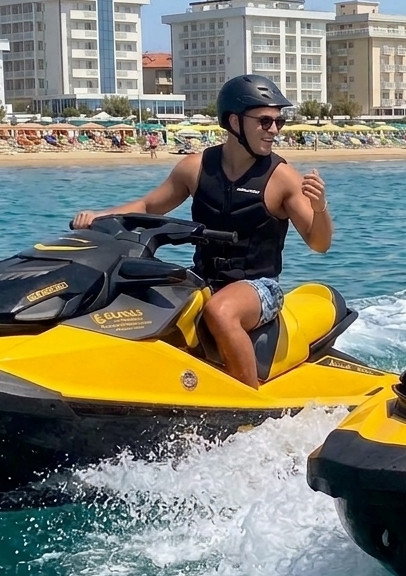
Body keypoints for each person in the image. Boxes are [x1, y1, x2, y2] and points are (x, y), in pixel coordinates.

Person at [71, 74, 334, 389]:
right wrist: (99, 217)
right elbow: (148, 206)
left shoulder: (283, 178)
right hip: (202, 280)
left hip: (259, 287)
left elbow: (319, 243)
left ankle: (248, 404)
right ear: (234, 121)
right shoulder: (196, 168)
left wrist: (319, 208)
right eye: (265, 121)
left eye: (279, 122)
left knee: (220, 311)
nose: (274, 130)